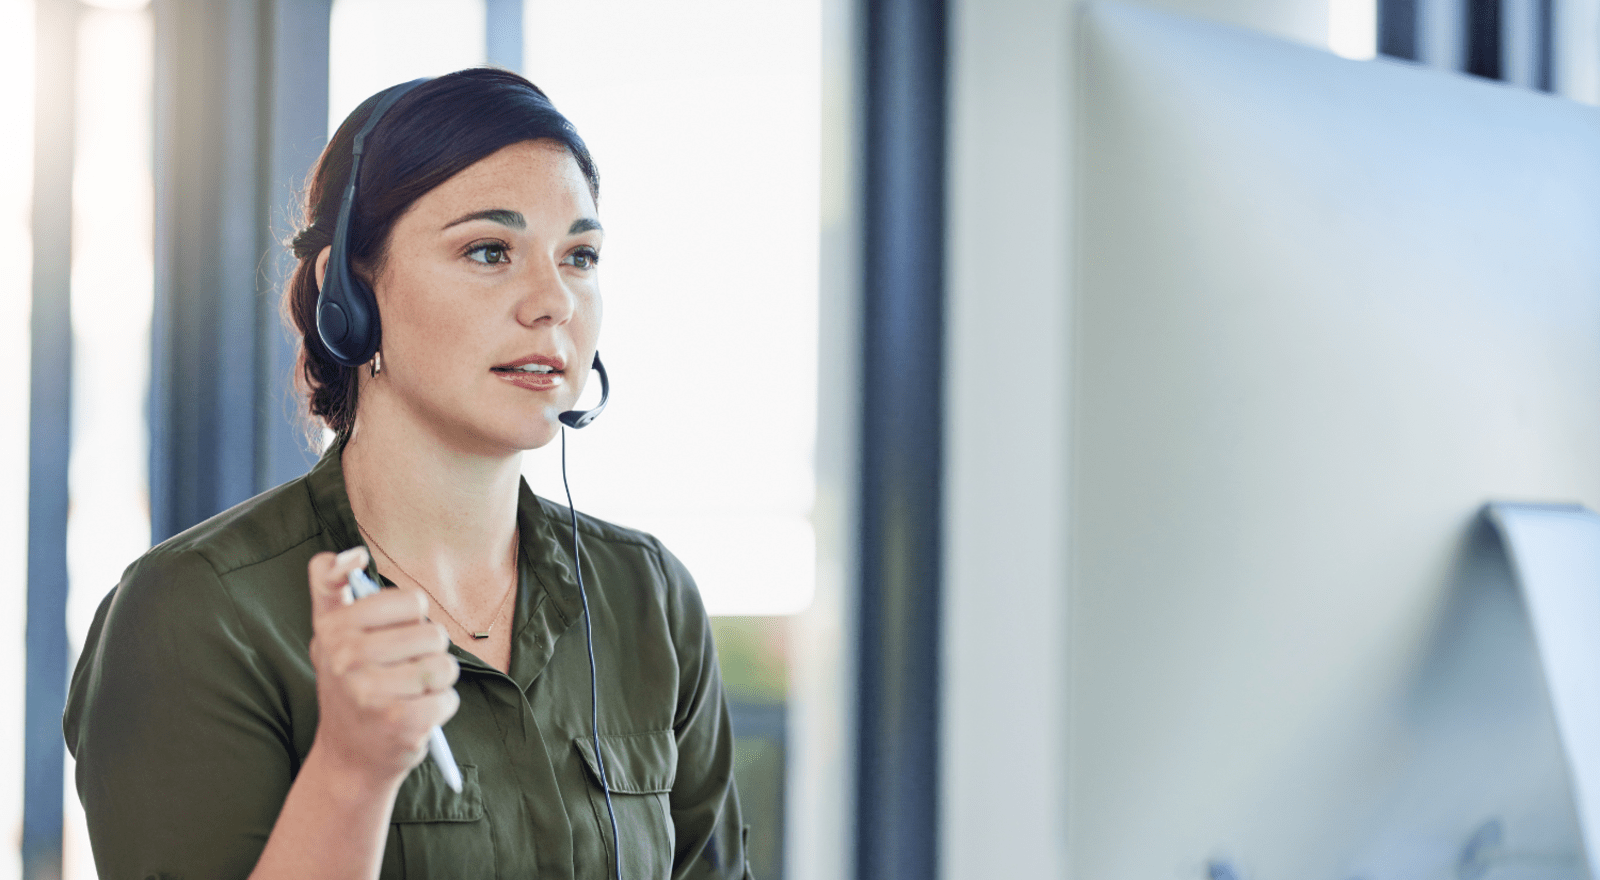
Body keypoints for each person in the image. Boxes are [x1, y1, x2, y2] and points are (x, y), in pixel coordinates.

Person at [63, 68, 752, 880]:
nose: (554, 301)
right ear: (349, 293)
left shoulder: (649, 599)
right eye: (490, 251)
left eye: (580, 256)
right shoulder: (198, 612)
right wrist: (352, 772)